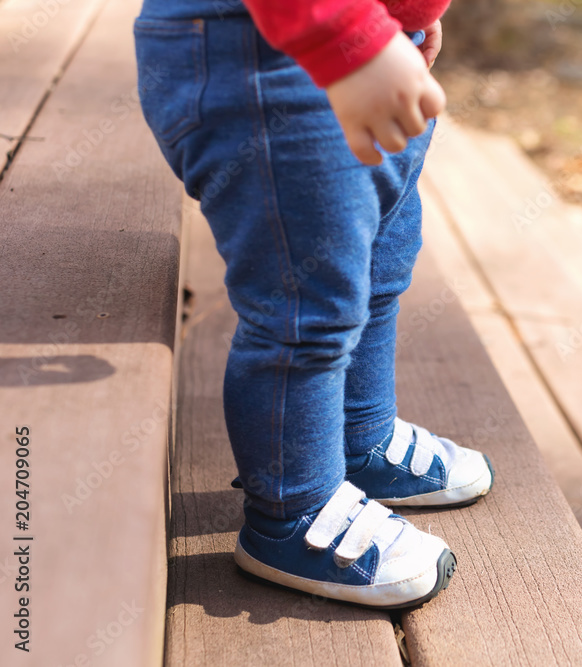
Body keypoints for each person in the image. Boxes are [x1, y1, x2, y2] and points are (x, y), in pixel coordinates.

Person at [134, 0, 494, 609]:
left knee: (380, 261)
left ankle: (360, 438)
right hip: (272, 56)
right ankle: (289, 513)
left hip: (360, 43)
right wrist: (350, 35)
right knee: (305, 309)